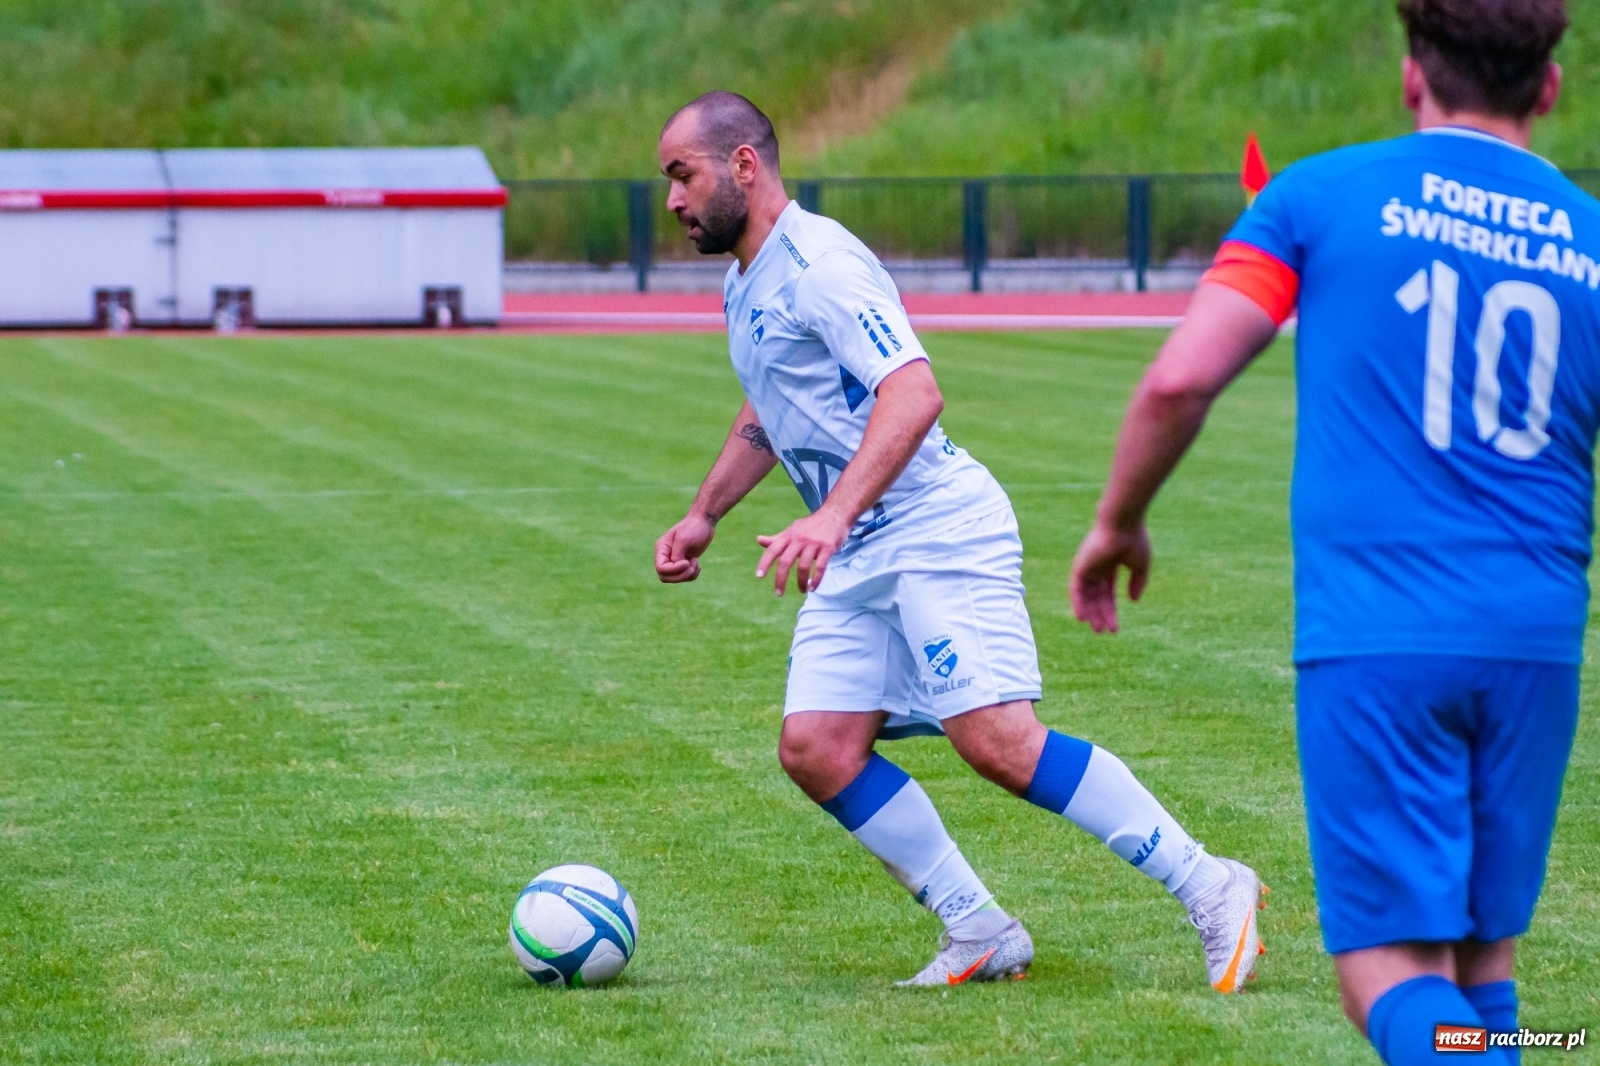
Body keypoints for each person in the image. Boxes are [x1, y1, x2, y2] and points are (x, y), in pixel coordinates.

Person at [653, 90, 1264, 989]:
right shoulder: (747, 279)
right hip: (861, 545)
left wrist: (829, 514)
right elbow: (773, 405)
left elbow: (913, 393)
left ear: (744, 165)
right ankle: (977, 929)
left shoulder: (819, 264)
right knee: (816, 746)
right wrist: (708, 511)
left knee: (998, 741)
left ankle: (1209, 882)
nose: (672, 199)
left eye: (682, 175)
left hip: (935, 526)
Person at [1069, 0, 1586, 1060]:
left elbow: (1180, 378)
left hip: (1382, 629)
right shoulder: (1589, 237)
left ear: (1409, 78)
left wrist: (1117, 520)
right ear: (1547, 88)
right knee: (1482, 968)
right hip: (1535, 638)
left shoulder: (1318, 195)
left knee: (1386, 977)